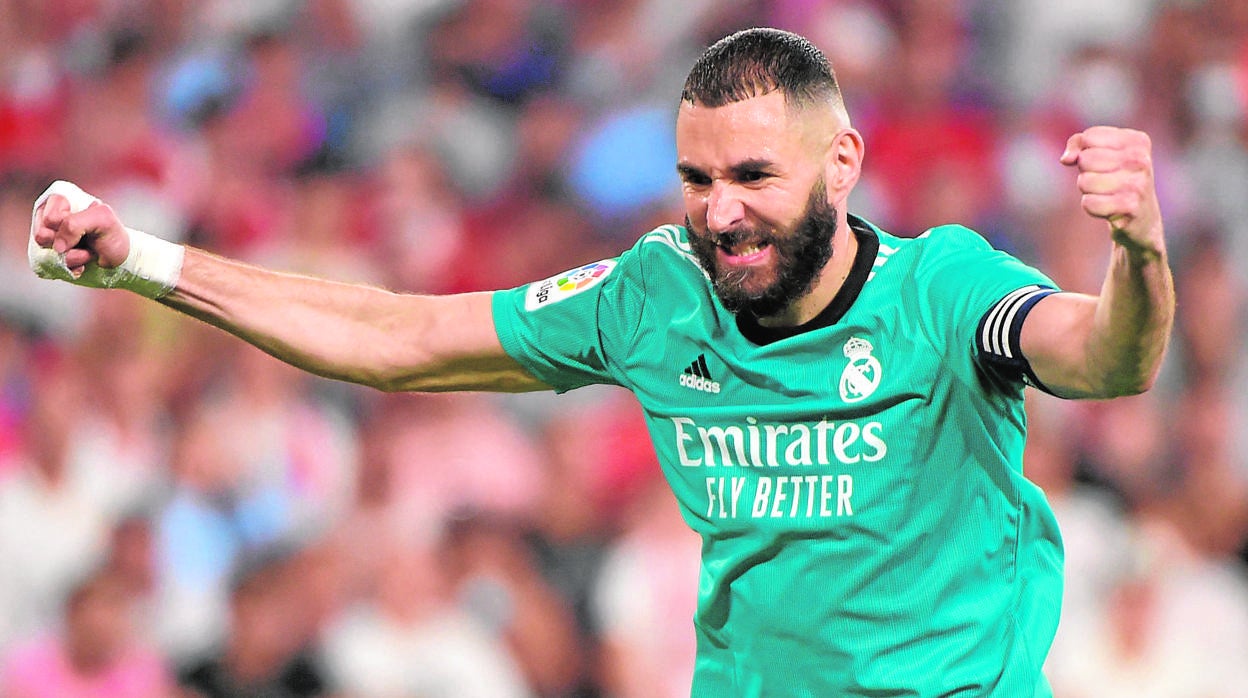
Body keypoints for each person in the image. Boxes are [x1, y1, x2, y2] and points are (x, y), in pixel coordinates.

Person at [27, 27, 1174, 697]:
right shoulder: (653, 291)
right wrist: (148, 260)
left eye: (755, 178)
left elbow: (1107, 356)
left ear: (842, 164)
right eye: (696, 179)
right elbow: (403, 339)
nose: (720, 214)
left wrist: (1138, 254)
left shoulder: (943, 289)